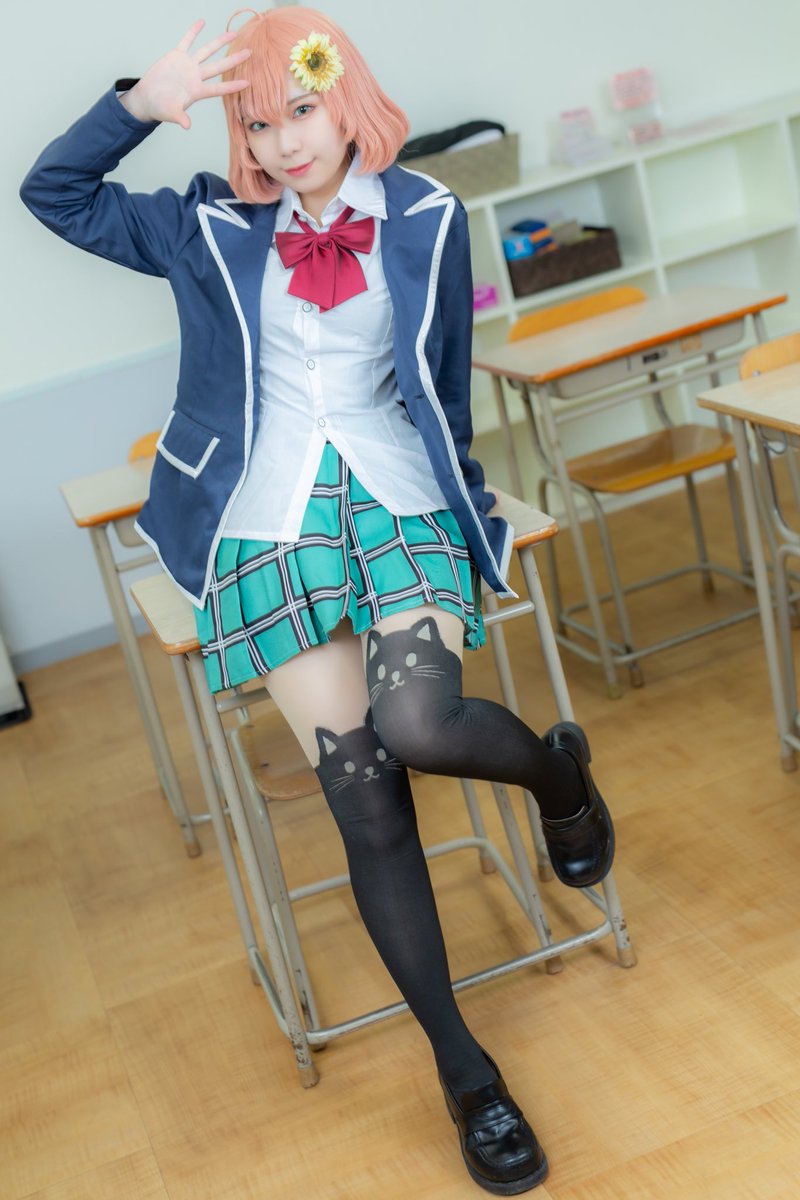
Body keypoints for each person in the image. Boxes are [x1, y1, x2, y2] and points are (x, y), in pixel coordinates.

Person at [20, 8, 615, 1193]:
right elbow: (56, 193)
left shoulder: (427, 216)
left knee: (418, 724)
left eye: (299, 109)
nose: (283, 142)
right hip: (264, 523)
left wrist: (468, 502)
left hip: (394, 497)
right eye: (257, 124)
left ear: (342, 100)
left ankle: (558, 777)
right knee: (364, 796)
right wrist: (141, 104)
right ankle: (467, 1077)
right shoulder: (205, 224)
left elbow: (441, 383)